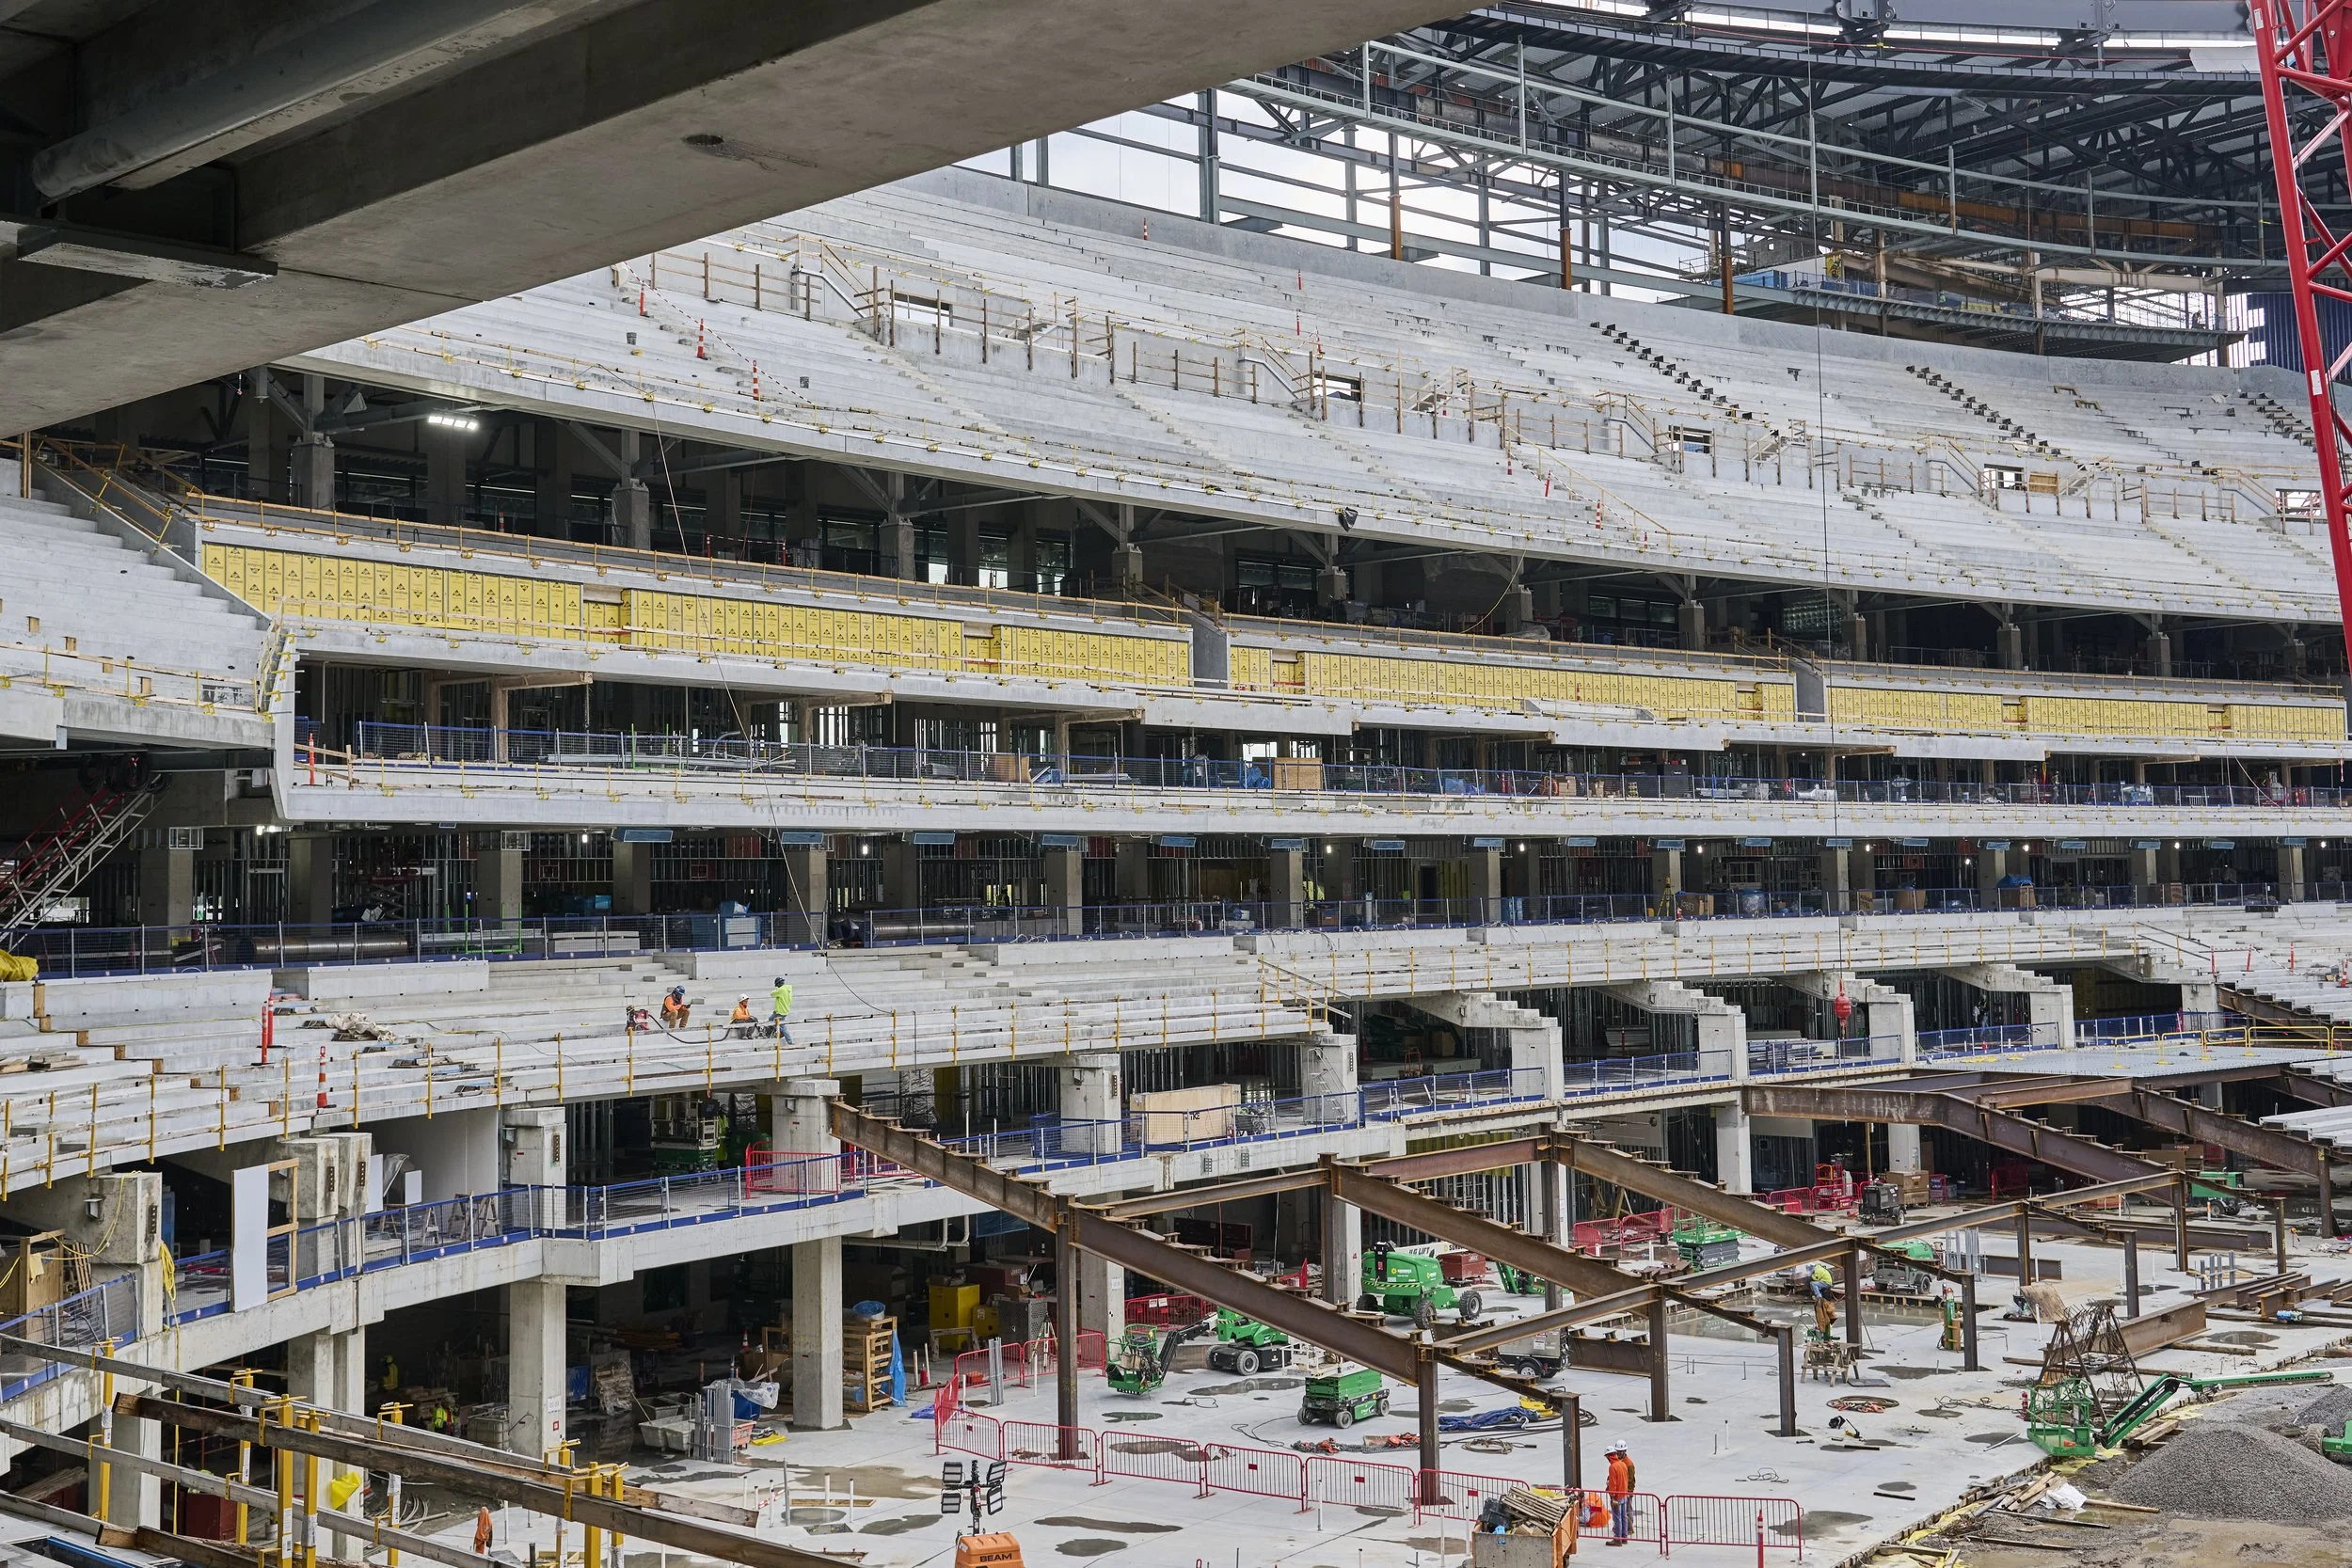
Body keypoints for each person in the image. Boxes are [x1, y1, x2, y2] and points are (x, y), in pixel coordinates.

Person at [1604, 1441, 1635, 1545]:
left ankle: (1617, 1539)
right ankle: (1624, 1537)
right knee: (1623, 1517)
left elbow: (1613, 1484)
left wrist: (1613, 1497)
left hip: (1617, 1496)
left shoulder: (1613, 1467)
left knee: (1617, 1518)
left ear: (1609, 1457)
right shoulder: (1623, 1464)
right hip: (1624, 1495)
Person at [770, 974, 795, 1044]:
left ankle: (788, 1040)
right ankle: (780, 1032)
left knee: (773, 1021)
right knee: (775, 1021)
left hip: (780, 1011)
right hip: (785, 1010)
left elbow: (772, 994)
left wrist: (777, 989)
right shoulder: (788, 989)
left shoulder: (781, 990)